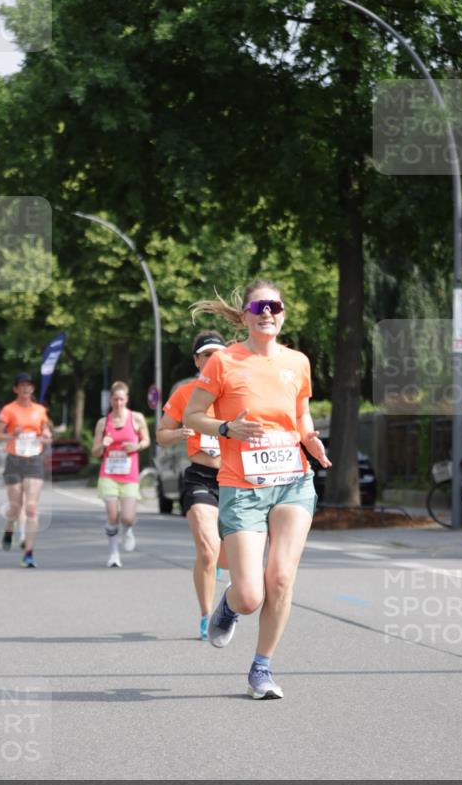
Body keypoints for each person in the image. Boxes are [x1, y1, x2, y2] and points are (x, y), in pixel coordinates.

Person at [184, 280, 331, 700]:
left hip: (293, 481)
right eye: (258, 306)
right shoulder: (225, 362)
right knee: (250, 595)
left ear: (283, 312)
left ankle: (261, 669)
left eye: (275, 305)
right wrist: (226, 428)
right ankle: (229, 607)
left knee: (281, 577)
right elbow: (194, 415)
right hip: (242, 485)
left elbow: (301, 415)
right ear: (245, 314)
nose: (267, 312)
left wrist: (311, 438)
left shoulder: (298, 362)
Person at [156, 331, 227, 639]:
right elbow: (162, 434)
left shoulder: (236, 392)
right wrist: (179, 433)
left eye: (218, 355)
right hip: (200, 475)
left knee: (227, 555)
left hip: (236, 479)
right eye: (207, 355)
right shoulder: (185, 393)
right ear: (197, 360)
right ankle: (206, 614)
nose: (213, 361)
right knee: (208, 551)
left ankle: (224, 581)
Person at [0, 373, 52, 568]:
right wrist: (12, 434)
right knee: (15, 507)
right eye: (22, 385)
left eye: (29, 385)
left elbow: (46, 433)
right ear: (16, 389)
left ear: (33, 389)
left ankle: (28, 553)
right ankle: (9, 527)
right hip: (14, 460)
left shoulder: (40, 410)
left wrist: (45, 435)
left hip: (34, 460)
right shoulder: (8, 410)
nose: (26, 389)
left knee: (31, 508)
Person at [92, 381, 150, 567]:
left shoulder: (137, 418)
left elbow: (147, 440)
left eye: (121, 399)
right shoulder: (103, 423)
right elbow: (95, 452)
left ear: (127, 399)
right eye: (115, 399)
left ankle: (128, 530)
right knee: (112, 515)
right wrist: (103, 444)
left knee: (127, 518)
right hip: (108, 474)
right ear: (110, 400)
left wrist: (137, 446)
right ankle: (114, 554)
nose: (118, 403)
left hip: (129, 475)